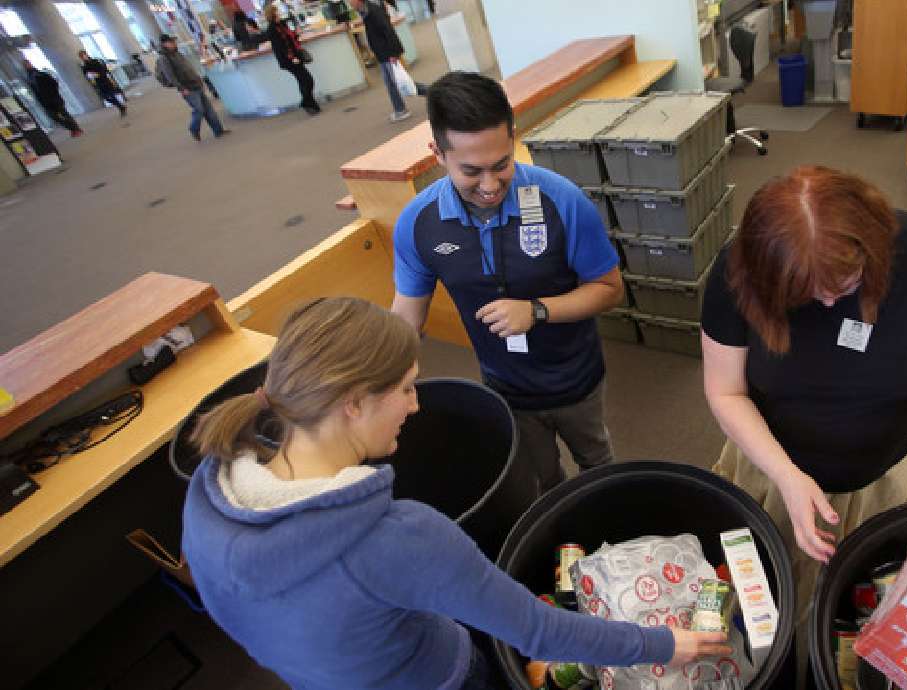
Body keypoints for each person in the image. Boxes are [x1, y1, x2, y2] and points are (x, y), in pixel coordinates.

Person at [182, 297, 730, 689]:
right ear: (352, 403)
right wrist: (663, 644)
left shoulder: (210, 497)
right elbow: (537, 632)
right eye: (403, 388)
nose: (415, 404)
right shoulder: (399, 539)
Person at [700, 166, 907, 683]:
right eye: (804, 294)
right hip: (772, 468)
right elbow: (726, 389)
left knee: (863, 603)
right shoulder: (738, 271)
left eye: (844, 284)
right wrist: (788, 476)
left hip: (884, 472)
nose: (828, 303)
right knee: (766, 603)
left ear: (873, 248)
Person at [391, 72, 623, 495]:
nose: (490, 185)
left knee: (599, 465)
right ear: (437, 154)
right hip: (504, 387)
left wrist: (536, 310)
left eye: (501, 164)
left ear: (513, 138)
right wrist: (375, 378)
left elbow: (609, 289)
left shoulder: (562, 200)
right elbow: (407, 318)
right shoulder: (417, 224)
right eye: (471, 171)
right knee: (543, 482)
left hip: (576, 379)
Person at [154, 33, 229, 141]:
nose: (174, 43)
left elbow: (188, 68)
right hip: (187, 88)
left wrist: (199, 79)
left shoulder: (177, 53)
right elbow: (170, 76)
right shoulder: (163, 58)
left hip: (195, 83)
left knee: (209, 109)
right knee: (199, 110)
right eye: (171, 42)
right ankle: (193, 129)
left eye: (174, 41)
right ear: (165, 44)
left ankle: (218, 131)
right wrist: (181, 88)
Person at [348, 0, 411, 122]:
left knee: (402, 82)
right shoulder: (365, 11)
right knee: (392, 83)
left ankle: (433, 93)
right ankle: (400, 109)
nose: (350, 5)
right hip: (382, 53)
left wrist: (393, 53)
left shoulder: (374, 11)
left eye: (351, 2)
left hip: (388, 53)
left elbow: (388, 31)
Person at [264, 4, 320, 114]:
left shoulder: (282, 24)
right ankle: (307, 103)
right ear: (272, 14)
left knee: (304, 81)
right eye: (277, 11)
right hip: (289, 60)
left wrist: (296, 34)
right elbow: (280, 47)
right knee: (307, 80)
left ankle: (309, 104)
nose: (279, 12)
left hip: (294, 56)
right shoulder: (271, 29)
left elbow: (290, 38)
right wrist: (292, 58)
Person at [22, 60, 83, 137]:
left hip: (54, 99)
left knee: (64, 114)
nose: (26, 66)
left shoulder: (41, 74)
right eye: (25, 65)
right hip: (45, 101)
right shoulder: (29, 78)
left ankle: (76, 129)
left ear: (30, 64)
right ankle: (73, 128)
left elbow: (54, 83)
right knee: (55, 117)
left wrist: (53, 94)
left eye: (27, 64)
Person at [78, 50, 127, 117]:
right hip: (98, 83)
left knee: (112, 95)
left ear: (86, 55)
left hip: (104, 80)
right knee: (106, 98)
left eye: (84, 55)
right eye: (82, 56)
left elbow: (103, 70)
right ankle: (121, 106)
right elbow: (86, 74)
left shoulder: (95, 61)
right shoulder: (85, 66)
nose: (84, 57)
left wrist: (97, 74)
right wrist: (90, 75)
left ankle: (121, 107)